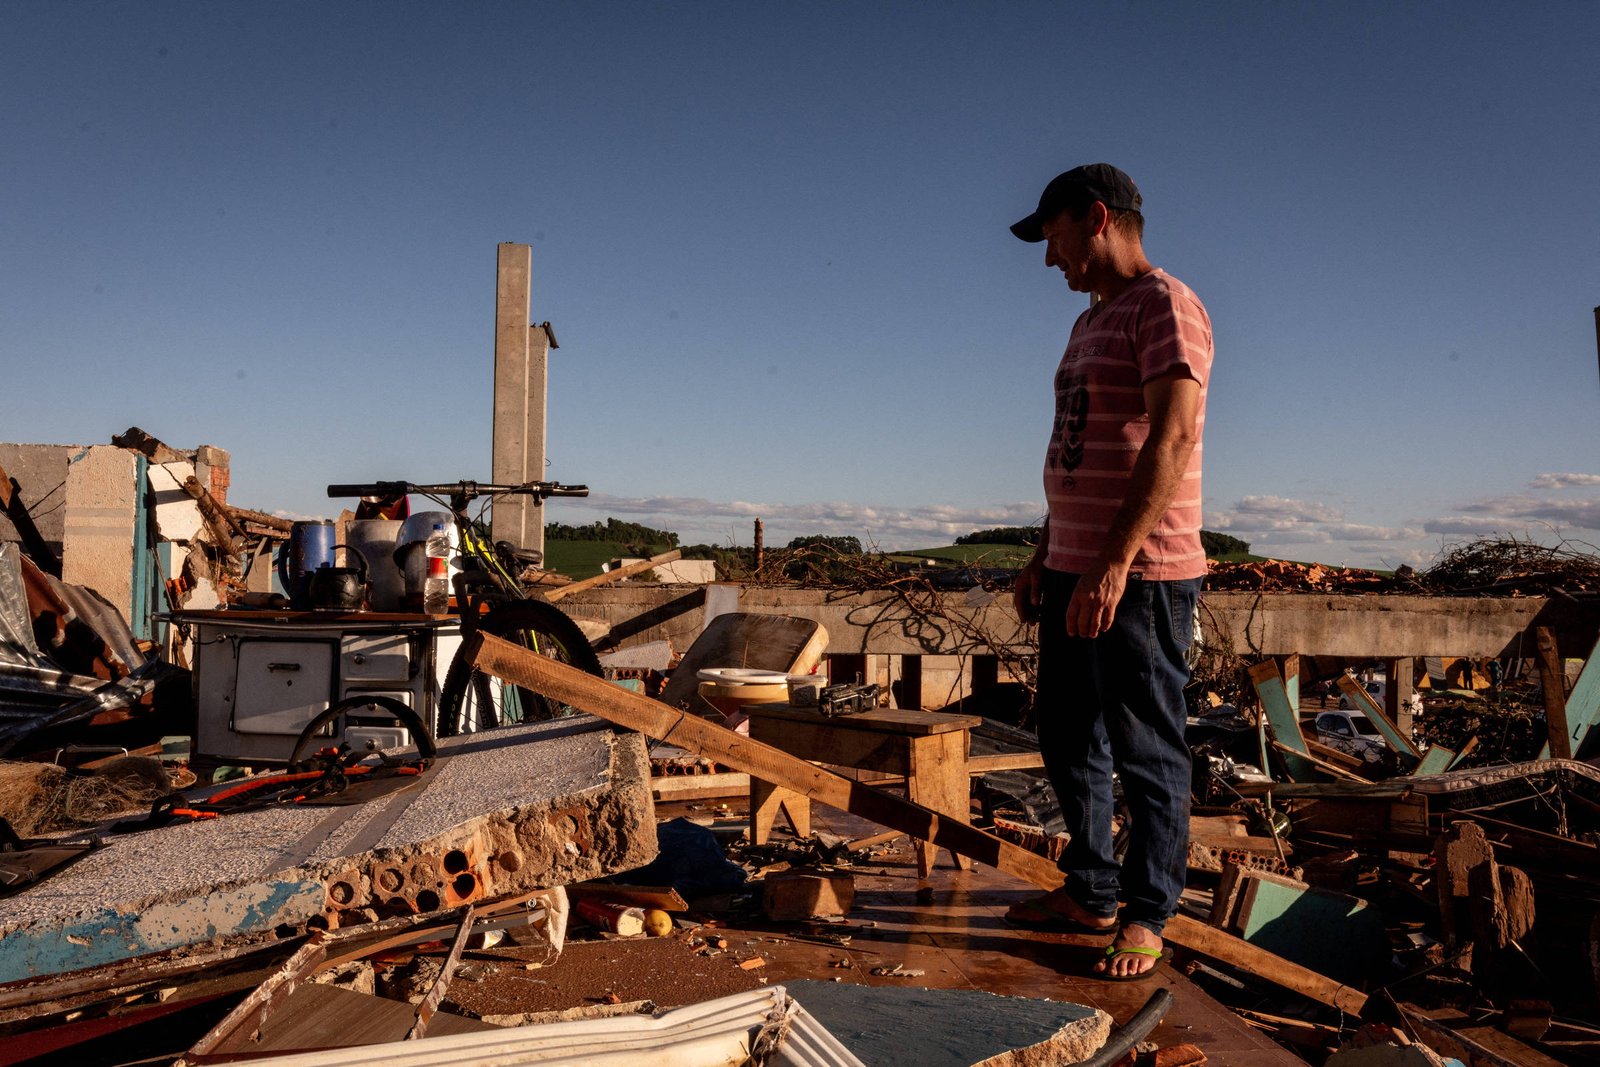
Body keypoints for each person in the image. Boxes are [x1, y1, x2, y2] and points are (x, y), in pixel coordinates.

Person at [1005, 163, 1213, 981]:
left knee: (1147, 742)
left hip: (1144, 574)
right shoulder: (1091, 319)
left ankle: (1150, 910)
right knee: (1065, 731)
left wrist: (1115, 561)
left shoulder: (1167, 305)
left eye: (1053, 237)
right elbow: (1084, 448)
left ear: (1097, 219)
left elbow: (1173, 438)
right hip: (1072, 565)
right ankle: (1090, 886)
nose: (1049, 257)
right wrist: (1045, 553)